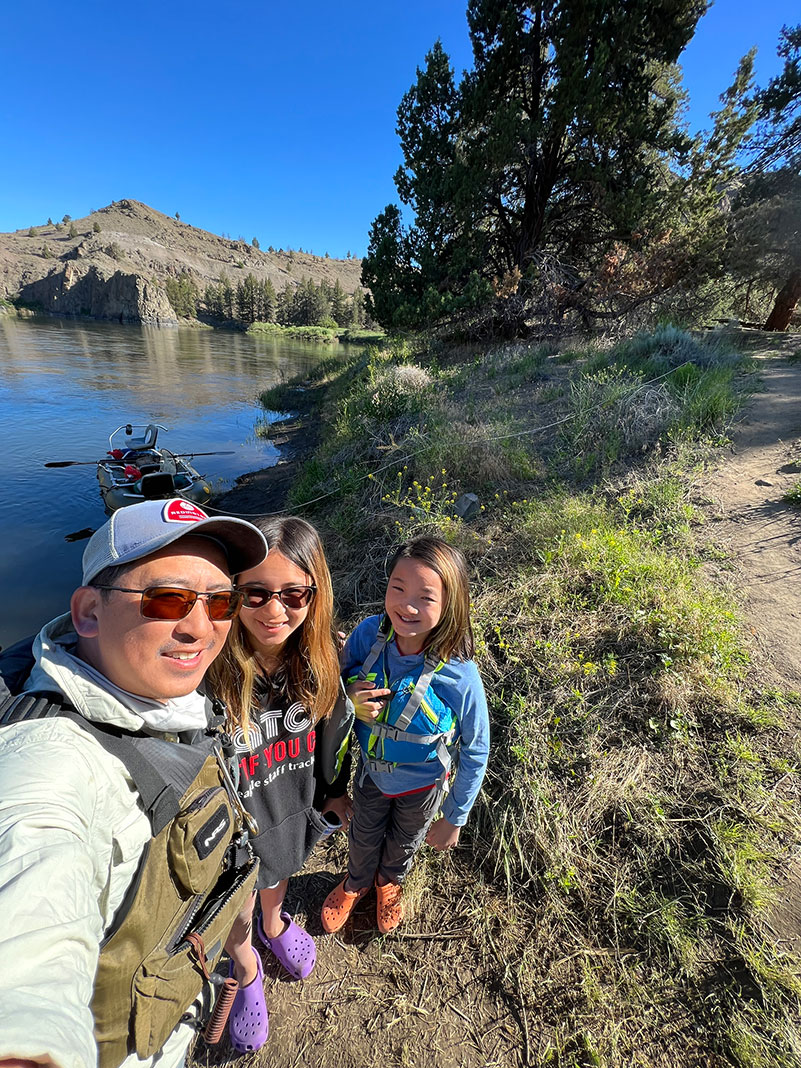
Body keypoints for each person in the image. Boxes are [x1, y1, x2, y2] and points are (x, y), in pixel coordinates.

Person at [0, 498, 268, 1068]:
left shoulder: (163, 695)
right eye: (167, 599)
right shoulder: (51, 765)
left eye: (221, 602)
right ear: (88, 613)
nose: (200, 627)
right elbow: (28, 930)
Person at [206, 516, 353, 1053]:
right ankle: (246, 970)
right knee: (234, 909)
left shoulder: (321, 660)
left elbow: (335, 730)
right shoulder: (208, 670)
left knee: (281, 873)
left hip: (288, 805)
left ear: (315, 595)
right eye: (257, 594)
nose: (275, 611)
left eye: (294, 594)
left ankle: (275, 922)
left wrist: (335, 788)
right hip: (231, 828)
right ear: (231, 594)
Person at [321, 535, 490, 936]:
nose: (407, 606)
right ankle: (357, 883)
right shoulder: (367, 636)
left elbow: (476, 747)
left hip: (424, 787)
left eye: (426, 598)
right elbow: (332, 682)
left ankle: (388, 883)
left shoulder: (460, 672)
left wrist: (454, 817)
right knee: (363, 837)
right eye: (397, 588)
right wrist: (348, 695)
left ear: (451, 606)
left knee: (404, 843)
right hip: (371, 776)